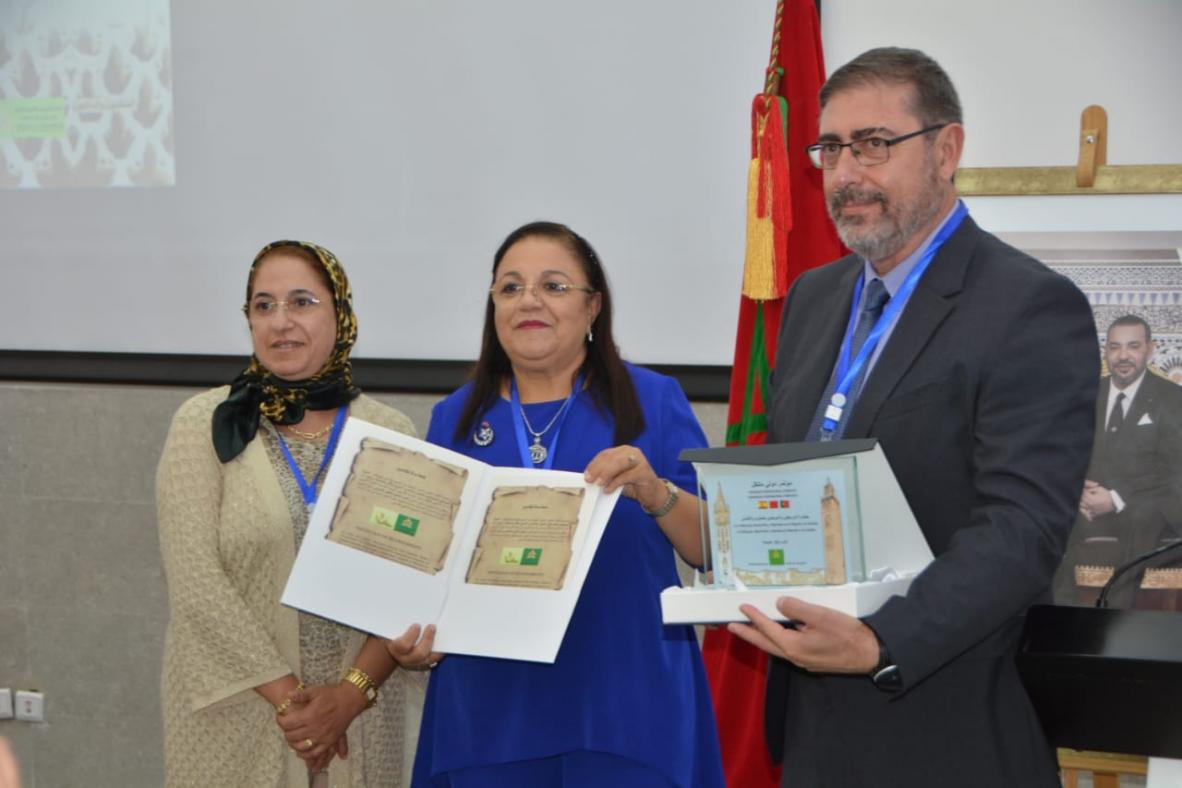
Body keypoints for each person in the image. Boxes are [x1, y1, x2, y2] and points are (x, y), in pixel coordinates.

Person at [726, 48, 1099, 787]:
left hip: (946, 726)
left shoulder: (1028, 307)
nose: (846, 174)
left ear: (946, 149)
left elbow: (1021, 527)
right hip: (812, 728)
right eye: (831, 149)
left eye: (873, 144)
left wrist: (878, 640)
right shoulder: (813, 299)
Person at [386, 221, 724, 787]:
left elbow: (716, 549)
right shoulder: (455, 417)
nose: (530, 301)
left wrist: (654, 492)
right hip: (490, 712)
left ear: (593, 307)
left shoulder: (652, 400)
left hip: (626, 705)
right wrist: (412, 636)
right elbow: (427, 569)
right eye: (510, 288)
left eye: (554, 286)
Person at [157, 240, 424, 787]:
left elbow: (408, 582)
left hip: (360, 720)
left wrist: (350, 696)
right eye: (264, 305)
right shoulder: (203, 422)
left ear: (340, 313)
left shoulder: (390, 433)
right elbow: (195, 581)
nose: (281, 321)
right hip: (237, 717)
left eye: (302, 302)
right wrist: (293, 705)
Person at [1058, 314, 1182, 606]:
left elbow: (1173, 469)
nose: (1123, 355)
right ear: (1106, 351)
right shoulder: (1087, 394)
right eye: (1114, 347)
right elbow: (1066, 452)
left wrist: (1115, 497)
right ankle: (1053, 616)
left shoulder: (1172, 399)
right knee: (1049, 512)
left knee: (1144, 515)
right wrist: (1078, 492)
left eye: (1133, 346)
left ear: (1150, 349)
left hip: (1147, 502)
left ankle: (1116, 620)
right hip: (1086, 502)